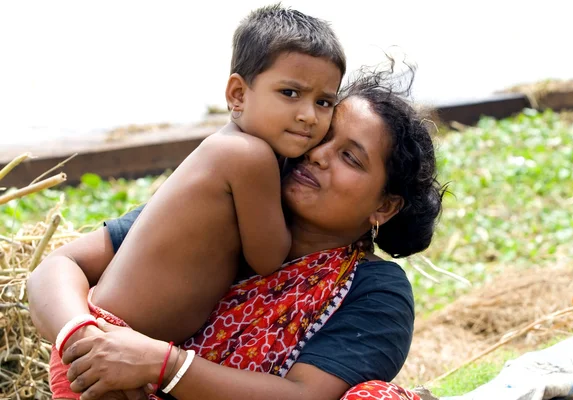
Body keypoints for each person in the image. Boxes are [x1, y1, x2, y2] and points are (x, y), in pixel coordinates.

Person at [28, 65, 444, 400]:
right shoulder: (220, 202)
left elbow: (306, 395)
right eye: (321, 135)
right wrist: (85, 340)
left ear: (383, 206)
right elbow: (59, 266)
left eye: (349, 157)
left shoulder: (375, 292)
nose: (317, 155)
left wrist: (163, 365)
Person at [33, 5, 345, 399]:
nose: (308, 116)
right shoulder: (250, 156)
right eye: (290, 93)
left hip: (110, 343)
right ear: (237, 94)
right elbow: (269, 258)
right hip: (106, 344)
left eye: (324, 102)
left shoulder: (226, 149)